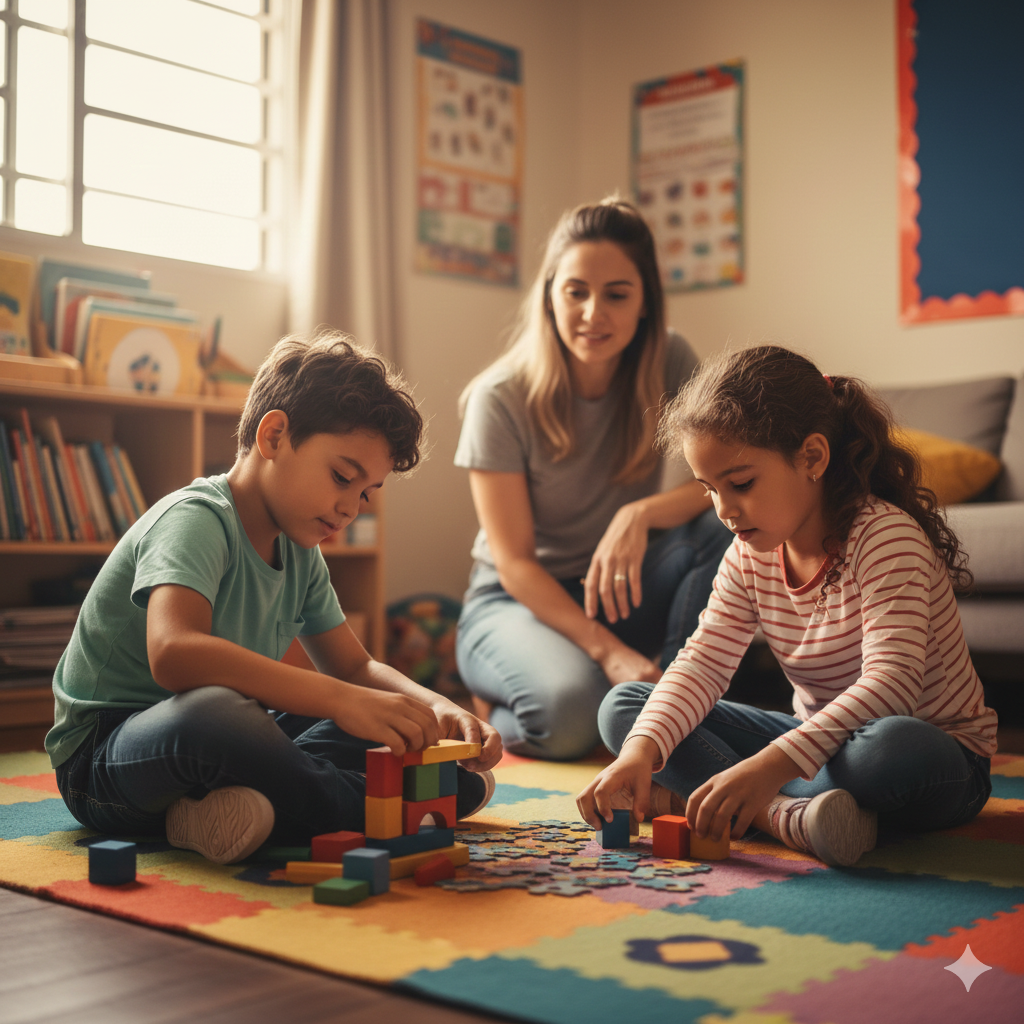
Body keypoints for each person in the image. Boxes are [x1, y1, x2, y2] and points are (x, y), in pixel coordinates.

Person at [47, 332, 501, 864]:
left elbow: (354, 667)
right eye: (342, 477)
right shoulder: (195, 519)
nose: (351, 508)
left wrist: (437, 709)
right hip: (108, 759)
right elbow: (174, 654)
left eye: (364, 493)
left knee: (390, 728)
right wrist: (342, 700)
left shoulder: (300, 549)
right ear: (274, 435)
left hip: (227, 746)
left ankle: (234, 811)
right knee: (220, 714)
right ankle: (392, 807)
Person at [577, 345, 997, 866]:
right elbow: (702, 663)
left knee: (888, 750)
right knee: (627, 710)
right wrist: (640, 753)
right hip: (814, 746)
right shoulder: (748, 554)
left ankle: (740, 799)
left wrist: (767, 766)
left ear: (812, 458)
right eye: (709, 490)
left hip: (935, 755)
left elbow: (892, 686)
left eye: (741, 484)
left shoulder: (885, 536)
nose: (724, 510)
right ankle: (782, 815)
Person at [454, 198, 733, 761]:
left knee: (723, 528)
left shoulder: (672, 358)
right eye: (576, 292)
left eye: (616, 295)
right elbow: (515, 564)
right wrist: (606, 651)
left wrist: (639, 513)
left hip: (618, 587)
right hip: (516, 600)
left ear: (646, 302)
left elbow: (719, 481)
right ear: (550, 295)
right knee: (570, 718)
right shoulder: (499, 397)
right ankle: (501, 703)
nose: (592, 313)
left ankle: (673, 706)